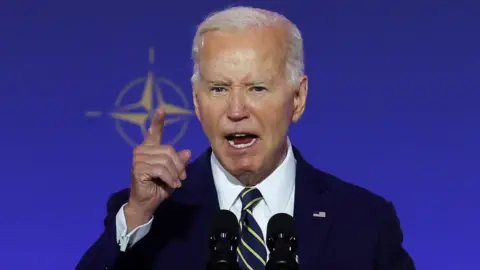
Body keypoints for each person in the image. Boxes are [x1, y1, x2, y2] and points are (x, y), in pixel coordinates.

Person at [76, 6, 415, 270]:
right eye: (219, 89)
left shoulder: (364, 223)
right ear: (197, 101)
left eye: (257, 88)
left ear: (297, 99)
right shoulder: (149, 218)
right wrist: (137, 216)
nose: (236, 110)